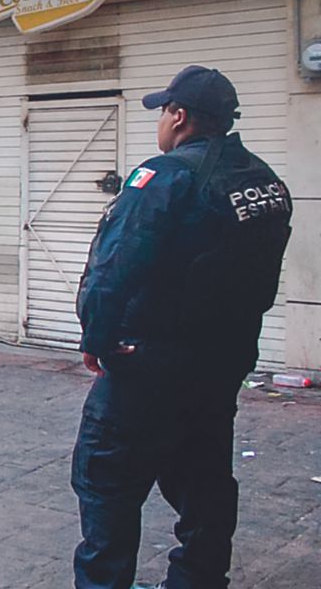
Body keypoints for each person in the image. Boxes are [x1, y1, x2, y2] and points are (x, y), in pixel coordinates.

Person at [71, 66, 292, 589]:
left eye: (164, 113)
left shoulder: (165, 177)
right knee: (204, 481)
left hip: (147, 365)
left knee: (105, 485)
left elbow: (114, 266)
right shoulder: (264, 181)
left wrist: (97, 341)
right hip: (219, 367)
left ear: (180, 116)